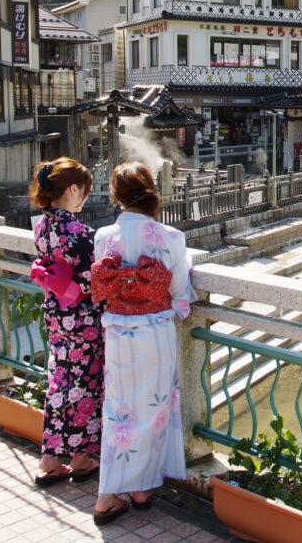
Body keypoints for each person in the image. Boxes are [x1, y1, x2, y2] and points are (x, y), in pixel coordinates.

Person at [89, 162, 193, 525]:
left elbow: (101, 284)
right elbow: (180, 291)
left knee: (118, 411)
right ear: (151, 191)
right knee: (153, 410)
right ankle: (125, 491)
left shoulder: (103, 236)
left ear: (116, 196)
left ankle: (125, 489)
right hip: (155, 330)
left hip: (117, 331)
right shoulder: (171, 237)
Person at [28, 158, 104, 489]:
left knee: (60, 380)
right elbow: (95, 280)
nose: (84, 198)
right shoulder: (81, 234)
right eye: (84, 191)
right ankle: (81, 457)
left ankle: (50, 458)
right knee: (85, 386)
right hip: (84, 319)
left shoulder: (42, 227)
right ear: (73, 189)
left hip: (56, 313)